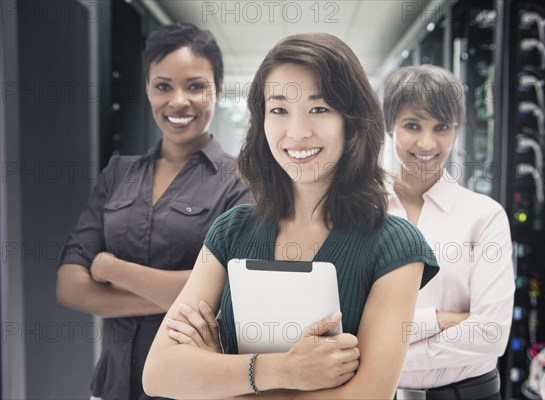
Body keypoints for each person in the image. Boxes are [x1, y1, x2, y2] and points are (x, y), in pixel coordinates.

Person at [142, 32, 440, 399]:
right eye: (279, 110)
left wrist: (218, 375)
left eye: (319, 109)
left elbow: (365, 396)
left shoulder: (395, 245)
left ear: (352, 121)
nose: (297, 132)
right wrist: (284, 370)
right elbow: (159, 373)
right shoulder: (231, 231)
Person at [56, 22, 252, 400]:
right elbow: (70, 286)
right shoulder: (118, 174)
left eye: (195, 86)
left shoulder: (241, 182)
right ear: (147, 89)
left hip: (191, 390)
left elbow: (230, 296)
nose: (178, 101)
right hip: (111, 387)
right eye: (163, 86)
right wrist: (182, 299)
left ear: (218, 90)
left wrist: (113, 270)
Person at [383, 65, 515, 400]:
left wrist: (383, 357)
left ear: (455, 130)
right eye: (412, 125)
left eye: (441, 127)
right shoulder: (361, 215)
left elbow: (490, 335)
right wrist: (442, 320)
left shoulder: (484, 217)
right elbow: (347, 322)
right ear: (389, 126)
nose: (427, 143)